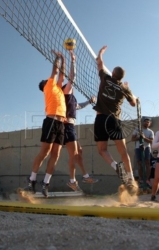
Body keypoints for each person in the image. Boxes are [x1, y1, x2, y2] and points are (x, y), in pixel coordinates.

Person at [93, 45, 138, 195]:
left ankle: (115, 166)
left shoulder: (105, 78)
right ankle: (131, 178)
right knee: (123, 151)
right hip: (114, 120)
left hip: (101, 119)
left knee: (102, 150)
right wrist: (129, 89)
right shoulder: (124, 89)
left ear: (112, 73)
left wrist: (100, 53)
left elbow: (99, 63)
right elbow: (133, 103)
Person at [23, 50, 66, 198]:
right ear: (44, 85)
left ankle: (45, 183)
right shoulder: (48, 86)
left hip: (61, 123)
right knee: (45, 153)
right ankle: (32, 181)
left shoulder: (59, 89)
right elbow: (55, 70)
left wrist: (64, 59)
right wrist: (57, 57)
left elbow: (62, 74)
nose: (51, 79)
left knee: (56, 154)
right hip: (51, 121)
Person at [61, 50, 98, 192]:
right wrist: (73, 60)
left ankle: (85, 176)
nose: (71, 86)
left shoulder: (72, 99)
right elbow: (73, 77)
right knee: (74, 155)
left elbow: (78, 106)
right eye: (68, 85)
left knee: (79, 151)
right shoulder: (65, 93)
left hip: (71, 127)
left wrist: (89, 101)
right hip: (66, 126)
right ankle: (72, 181)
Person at [131, 117, 154, 187]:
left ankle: (147, 179)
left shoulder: (150, 131)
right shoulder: (137, 129)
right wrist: (139, 137)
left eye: (148, 122)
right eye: (145, 121)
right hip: (138, 148)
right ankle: (141, 179)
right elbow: (132, 138)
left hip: (147, 148)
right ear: (143, 122)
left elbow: (151, 141)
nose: (147, 123)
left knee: (147, 162)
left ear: (150, 124)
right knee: (139, 163)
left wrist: (144, 138)